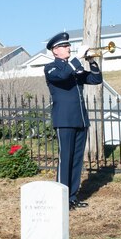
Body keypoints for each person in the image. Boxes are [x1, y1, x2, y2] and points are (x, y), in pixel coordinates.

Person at [44, 31, 103, 209]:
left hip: (80, 120)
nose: (68, 47)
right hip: (64, 120)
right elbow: (62, 76)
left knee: (77, 160)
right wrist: (77, 58)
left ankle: (71, 197)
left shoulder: (73, 68)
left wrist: (92, 61)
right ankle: (61, 199)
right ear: (55, 51)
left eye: (68, 45)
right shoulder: (51, 68)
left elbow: (95, 79)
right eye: (64, 46)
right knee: (65, 159)